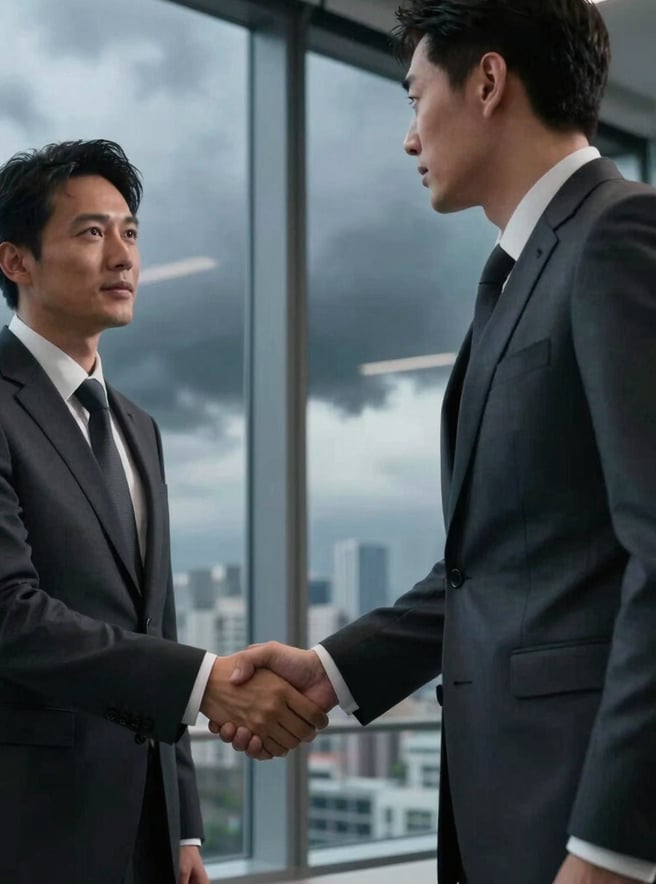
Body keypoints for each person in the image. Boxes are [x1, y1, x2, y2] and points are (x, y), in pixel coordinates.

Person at [215, 2, 656, 882]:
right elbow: (498, 563)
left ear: (487, 82)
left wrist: (612, 848)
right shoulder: (522, 273)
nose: (410, 139)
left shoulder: (618, 236)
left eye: (414, 98)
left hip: (581, 820)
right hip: (513, 808)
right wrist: (332, 671)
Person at [0, 139, 327, 884]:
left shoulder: (137, 425)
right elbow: (1, 615)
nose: (122, 257)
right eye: (91, 233)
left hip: (142, 834)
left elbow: (154, 626)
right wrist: (204, 682)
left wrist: (184, 823)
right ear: (16, 261)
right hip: (12, 829)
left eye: (130, 232)